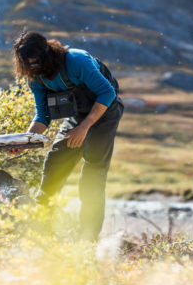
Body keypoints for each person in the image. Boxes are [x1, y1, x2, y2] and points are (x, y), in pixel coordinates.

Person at [12, 31, 123, 240]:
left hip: (105, 112)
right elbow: (42, 116)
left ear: (47, 54)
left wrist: (85, 127)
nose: (33, 68)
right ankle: (40, 228)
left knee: (92, 173)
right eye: (29, 65)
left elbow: (108, 93)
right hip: (77, 116)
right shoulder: (35, 79)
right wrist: (25, 141)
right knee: (55, 161)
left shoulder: (76, 61)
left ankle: (87, 238)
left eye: (36, 63)